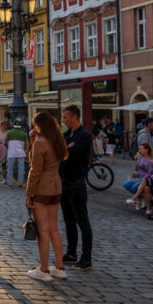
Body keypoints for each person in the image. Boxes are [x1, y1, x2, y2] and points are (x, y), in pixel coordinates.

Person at [25, 112, 68, 282]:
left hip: (42, 188)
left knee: (42, 231)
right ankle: (59, 266)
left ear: (40, 125)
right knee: (54, 229)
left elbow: (34, 170)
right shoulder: (57, 140)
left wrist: (29, 194)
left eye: (35, 124)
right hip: (56, 186)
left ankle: (43, 269)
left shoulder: (40, 144)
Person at [58, 105, 93, 272]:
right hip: (63, 182)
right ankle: (71, 253)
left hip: (76, 182)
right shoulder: (66, 135)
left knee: (82, 220)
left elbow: (70, 154)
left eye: (65, 117)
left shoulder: (84, 135)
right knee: (68, 220)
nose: (63, 120)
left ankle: (86, 258)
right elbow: (60, 153)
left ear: (74, 117)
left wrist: (66, 150)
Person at [123, 144, 153, 209]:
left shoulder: (150, 160)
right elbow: (136, 169)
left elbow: (149, 173)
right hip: (140, 176)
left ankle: (138, 199)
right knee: (126, 184)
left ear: (146, 150)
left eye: (141, 149)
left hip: (147, 178)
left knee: (134, 187)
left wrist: (139, 180)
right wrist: (135, 160)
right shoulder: (140, 158)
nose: (139, 150)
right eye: (139, 149)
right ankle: (141, 197)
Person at [5, 120, 28, 187]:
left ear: (13, 126)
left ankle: (10, 184)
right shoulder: (23, 134)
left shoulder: (9, 133)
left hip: (11, 153)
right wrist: (26, 151)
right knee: (21, 169)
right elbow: (27, 144)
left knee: (10, 169)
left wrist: (8, 147)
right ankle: (20, 184)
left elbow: (5, 142)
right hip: (21, 153)